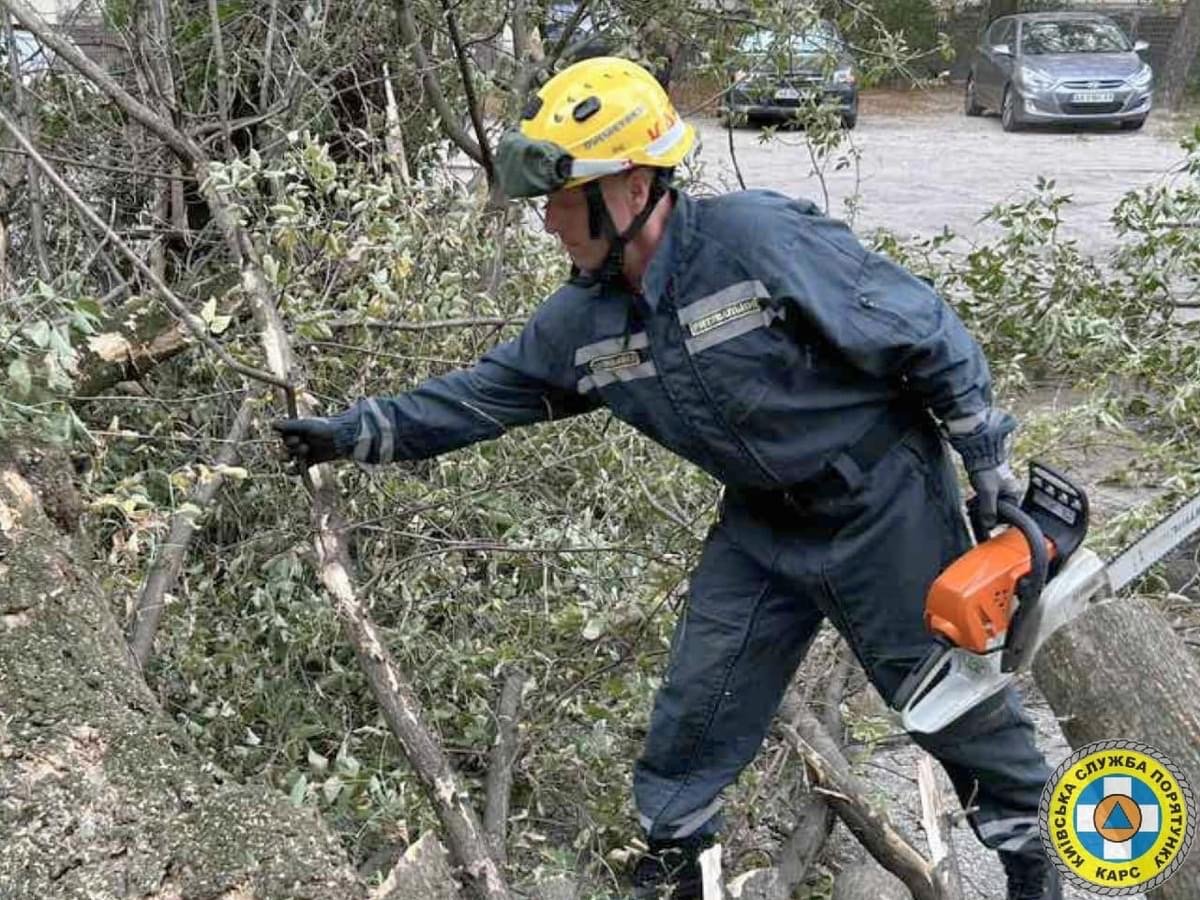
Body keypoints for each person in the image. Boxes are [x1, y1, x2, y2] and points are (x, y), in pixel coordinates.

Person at [274, 57, 1061, 900]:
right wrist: (349, 435)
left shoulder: (756, 242)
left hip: (883, 506)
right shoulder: (582, 323)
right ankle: (678, 873)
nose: (547, 224)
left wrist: (988, 471)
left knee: (947, 703)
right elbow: (479, 398)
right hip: (763, 528)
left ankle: (1030, 863)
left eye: (559, 199)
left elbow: (927, 334)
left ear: (628, 186)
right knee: (696, 708)